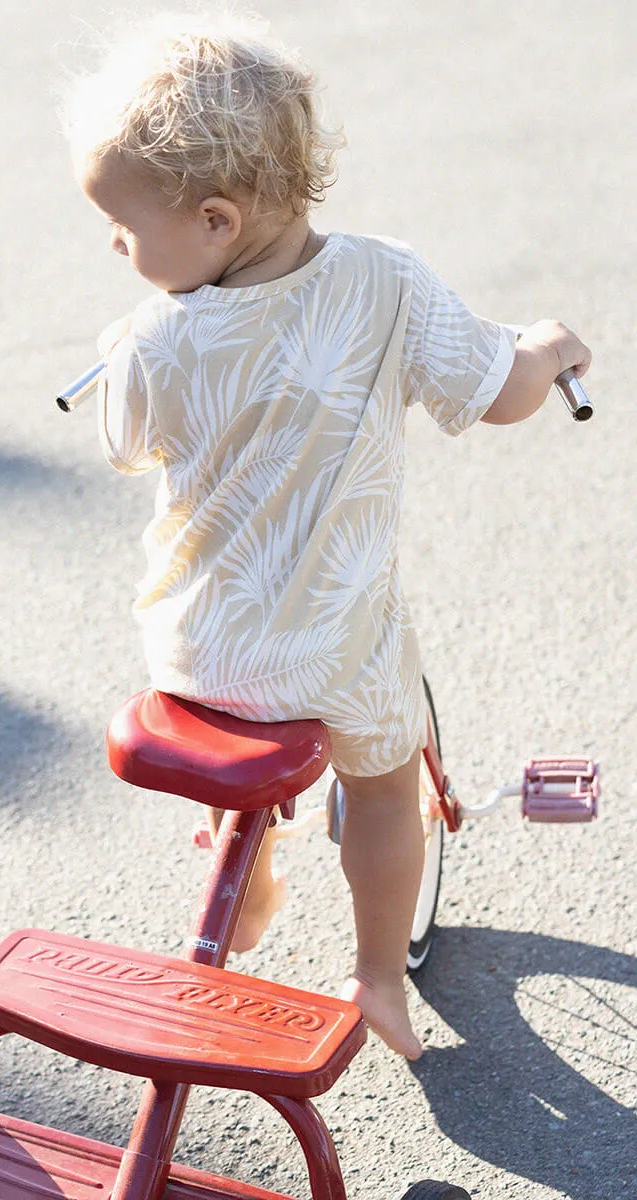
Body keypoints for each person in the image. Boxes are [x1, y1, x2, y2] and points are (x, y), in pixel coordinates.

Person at [60, 12, 591, 1060]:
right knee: (384, 786)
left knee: (240, 730)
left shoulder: (161, 337)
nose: (113, 245)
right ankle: (380, 976)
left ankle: (244, 878)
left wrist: (127, 350)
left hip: (197, 650)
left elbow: (123, 441)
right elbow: (498, 392)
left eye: (124, 227)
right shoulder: (386, 281)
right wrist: (541, 349)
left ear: (216, 221)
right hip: (332, 647)